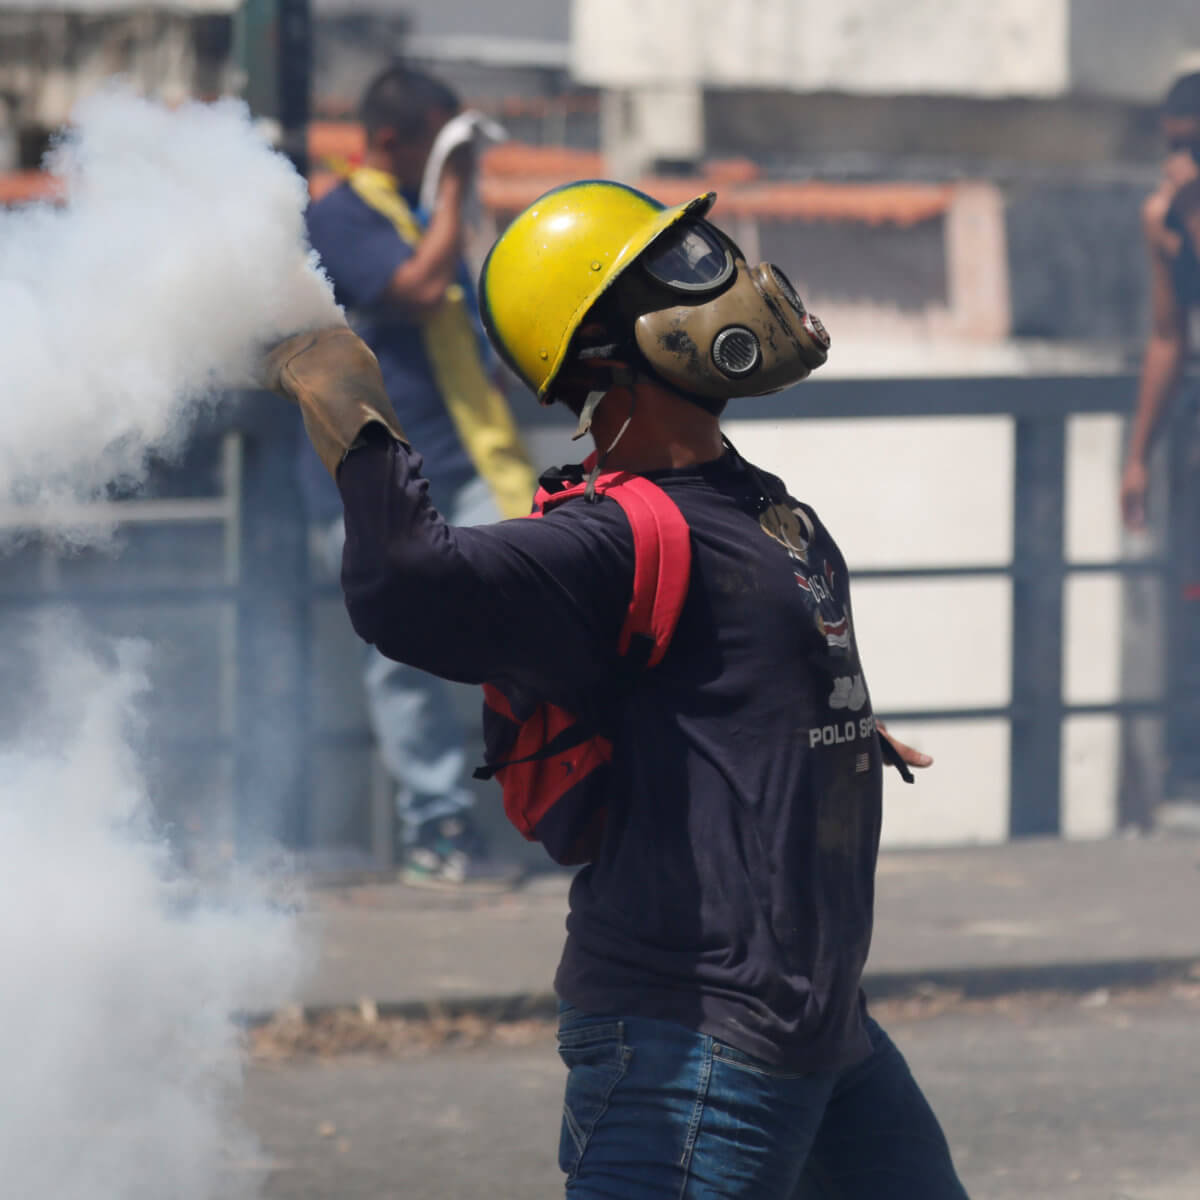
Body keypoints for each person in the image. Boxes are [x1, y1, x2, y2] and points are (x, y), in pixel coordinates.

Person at [267, 179, 968, 1198]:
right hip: (694, 1049)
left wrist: (830, 725)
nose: (728, 278)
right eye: (683, 270)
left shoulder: (772, 512)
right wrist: (346, 393)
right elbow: (410, 585)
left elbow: (728, 681)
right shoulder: (611, 535)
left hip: (823, 1029)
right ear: (608, 344)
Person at [301, 63, 537, 887]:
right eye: (441, 142)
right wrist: (456, 191)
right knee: (403, 652)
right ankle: (436, 827)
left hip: (469, 459)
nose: (450, 160)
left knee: (530, 621)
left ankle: (543, 802)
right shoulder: (340, 215)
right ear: (395, 139)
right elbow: (419, 285)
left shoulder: (415, 214)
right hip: (375, 473)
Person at [1120, 70, 1200, 529]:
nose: (1185, 164)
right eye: (1175, 148)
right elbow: (1167, 337)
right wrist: (1137, 459)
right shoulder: (1163, 219)